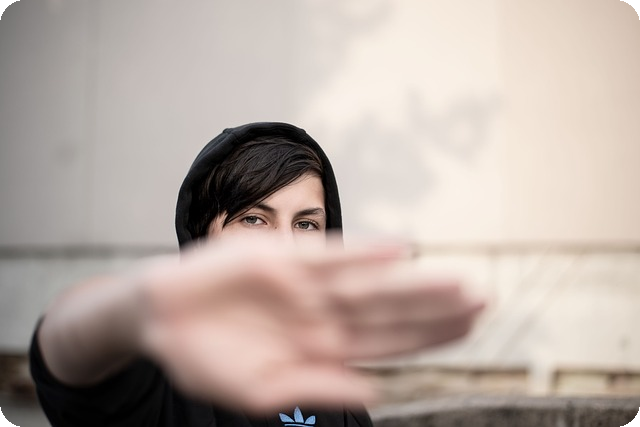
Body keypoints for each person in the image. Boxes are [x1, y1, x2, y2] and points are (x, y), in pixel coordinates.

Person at [29, 122, 485, 427]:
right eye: (254, 219)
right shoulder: (157, 374)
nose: (285, 246)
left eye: (306, 224)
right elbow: (68, 348)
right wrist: (136, 310)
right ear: (201, 236)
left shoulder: (335, 390)